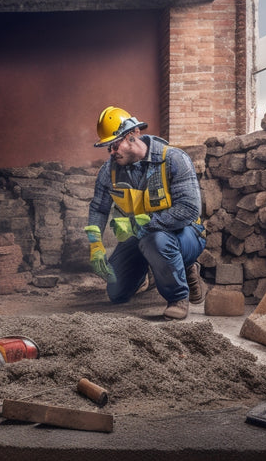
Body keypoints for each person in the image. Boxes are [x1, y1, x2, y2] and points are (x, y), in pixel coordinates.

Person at [85, 106, 206, 320]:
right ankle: (146, 276)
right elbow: (98, 208)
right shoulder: (109, 170)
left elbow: (188, 209)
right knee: (116, 292)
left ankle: (178, 295)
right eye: (108, 147)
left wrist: (141, 224)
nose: (112, 152)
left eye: (115, 144)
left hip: (184, 235)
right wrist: (95, 244)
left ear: (133, 135)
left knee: (155, 241)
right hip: (139, 235)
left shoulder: (174, 159)